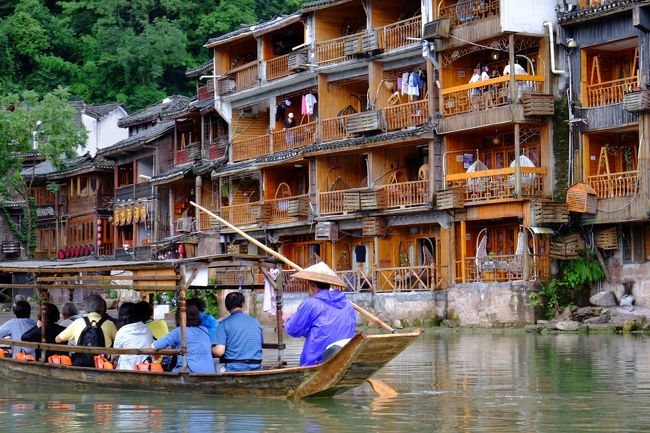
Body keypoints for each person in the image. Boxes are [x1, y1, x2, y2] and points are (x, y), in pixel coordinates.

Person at [283, 262, 357, 366]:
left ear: (312, 285)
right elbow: (325, 329)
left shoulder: (311, 303)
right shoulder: (346, 302)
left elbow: (293, 329)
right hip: (345, 356)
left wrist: (286, 319)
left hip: (317, 359)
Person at [152, 302, 215, 373]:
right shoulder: (204, 330)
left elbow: (155, 346)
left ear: (179, 316)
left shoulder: (179, 331)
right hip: (210, 372)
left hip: (189, 373)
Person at [55, 294, 118, 365]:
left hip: (81, 365)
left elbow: (58, 339)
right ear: (103, 308)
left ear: (86, 308)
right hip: (102, 366)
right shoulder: (109, 324)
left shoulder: (78, 323)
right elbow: (118, 343)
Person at [212, 292, 263, 372]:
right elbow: (260, 344)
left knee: (214, 364)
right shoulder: (256, 322)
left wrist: (210, 349)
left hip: (233, 368)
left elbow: (219, 352)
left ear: (227, 307)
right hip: (256, 367)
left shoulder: (223, 324)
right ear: (243, 304)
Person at [113, 302, 153, 370]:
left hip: (126, 369)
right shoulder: (146, 328)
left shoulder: (122, 331)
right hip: (145, 368)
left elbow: (116, 353)